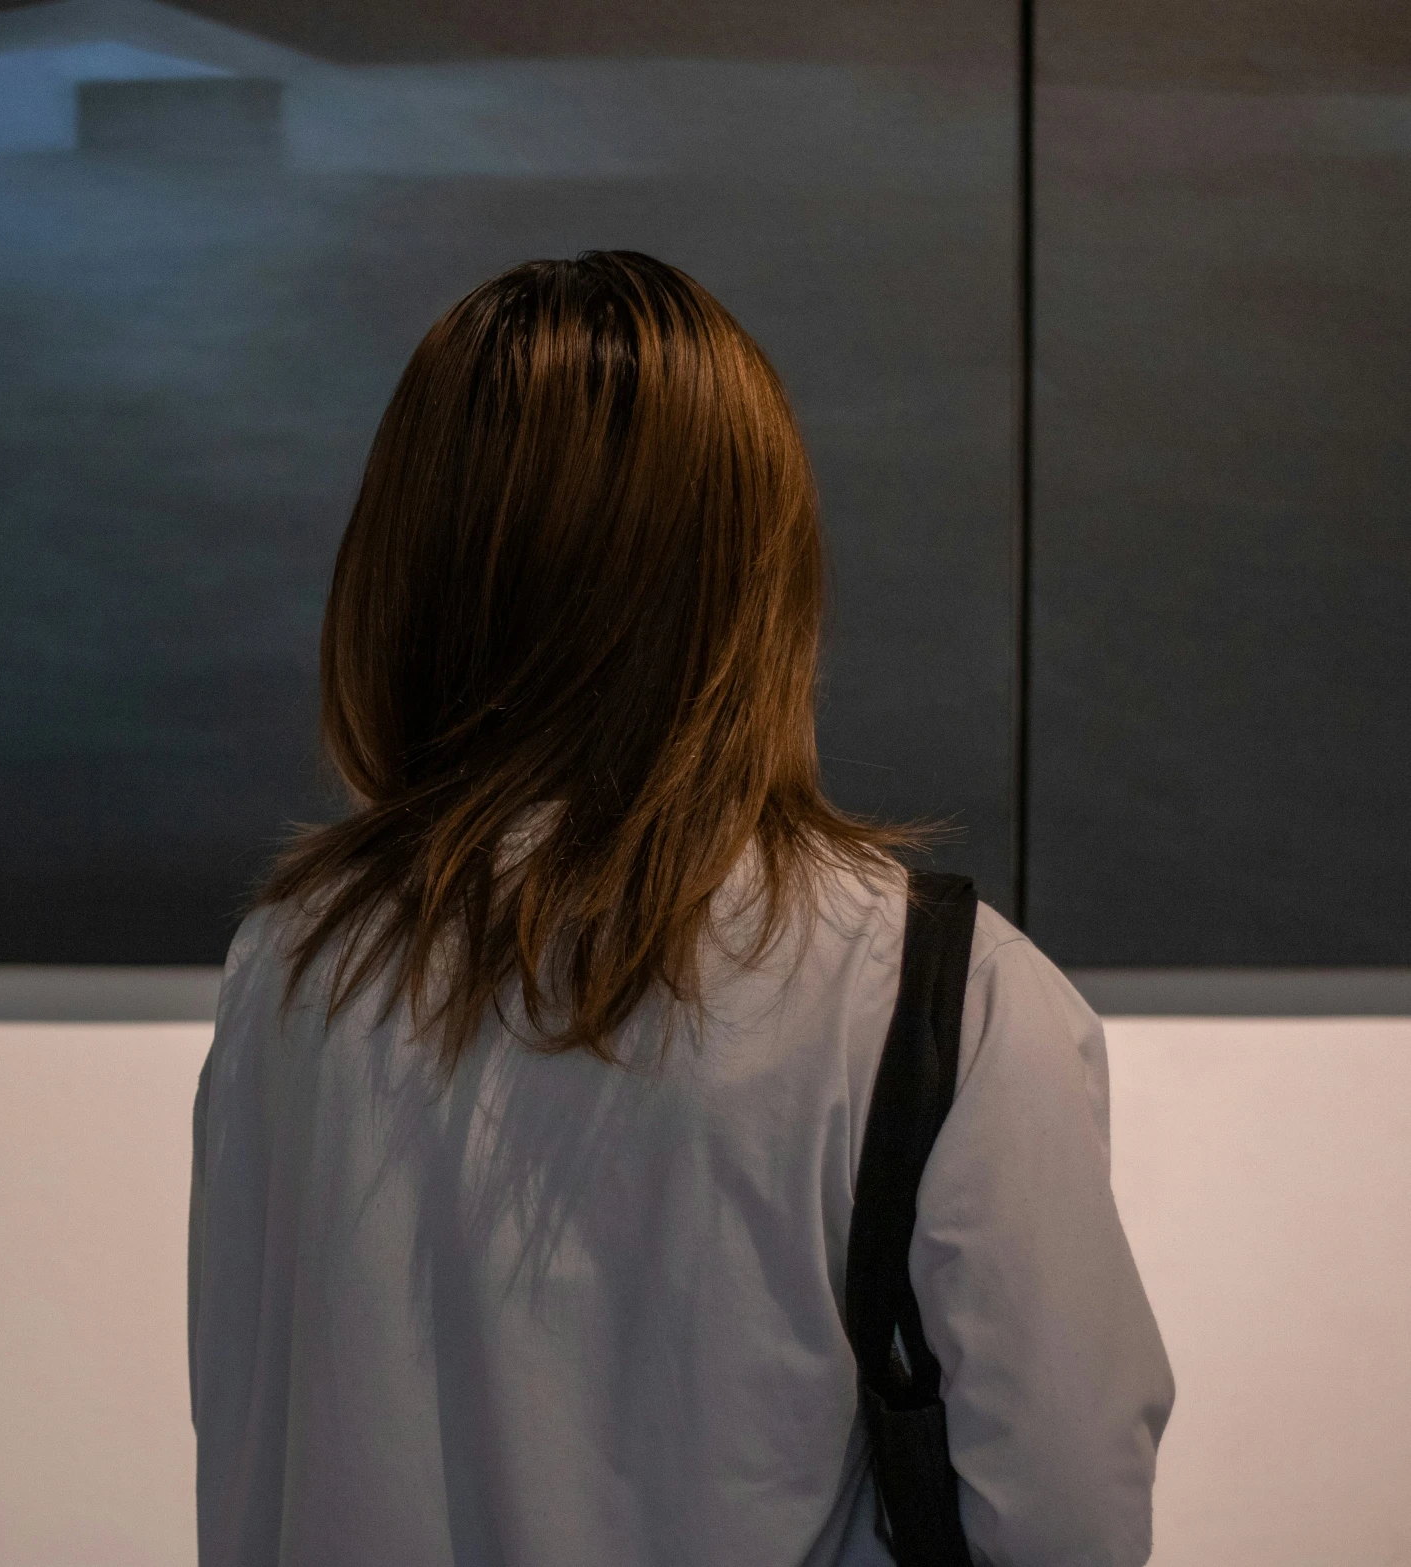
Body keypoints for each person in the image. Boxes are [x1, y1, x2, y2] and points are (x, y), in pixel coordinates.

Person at [186, 251, 1173, 1567]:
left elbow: (250, 1449)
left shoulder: (291, 972)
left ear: (406, 563)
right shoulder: (936, 992)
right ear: (754, 570)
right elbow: (1063, 1521)